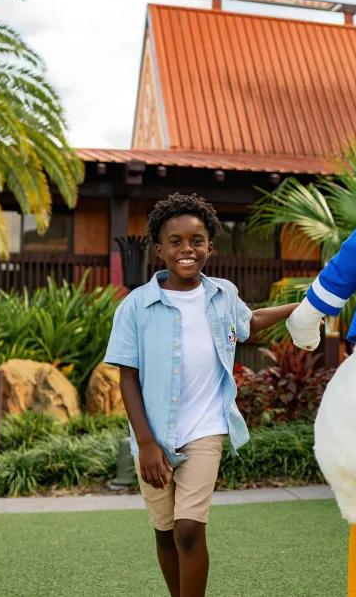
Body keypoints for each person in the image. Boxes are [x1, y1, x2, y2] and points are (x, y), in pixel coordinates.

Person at [104, 193, 297, 597]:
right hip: (153, 436)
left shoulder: (223, 294)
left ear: (210, 245)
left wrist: (299, 306)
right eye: (175, 241)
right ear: (159, 249)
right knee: (165, 532)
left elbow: (249, 323)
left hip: (205, 429)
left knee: (189, 529)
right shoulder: (136, 306)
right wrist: (145, 442)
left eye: (196, 240)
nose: (186, 249)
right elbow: (127, 378)